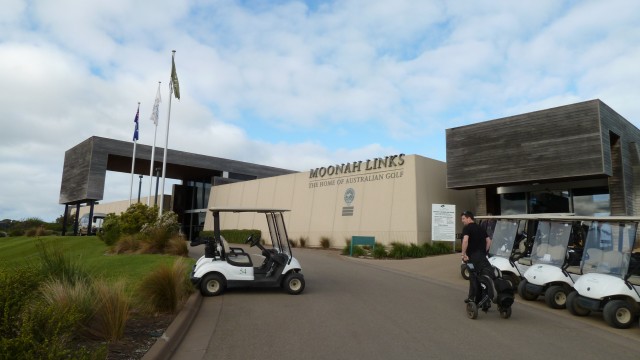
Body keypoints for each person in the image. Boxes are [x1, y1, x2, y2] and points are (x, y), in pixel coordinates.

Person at [460, 210, 492, 303]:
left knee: (473, 277)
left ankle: (473, 299)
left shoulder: (467, 228)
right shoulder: (481, 228)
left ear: (469, 218)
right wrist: (484, 252)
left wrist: (463, 254)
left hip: (472, 259)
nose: (462, 221)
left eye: (463, 218)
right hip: (482, 257)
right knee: (483, 277)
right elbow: (489, 241)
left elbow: (465, 241)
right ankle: (481, 298)